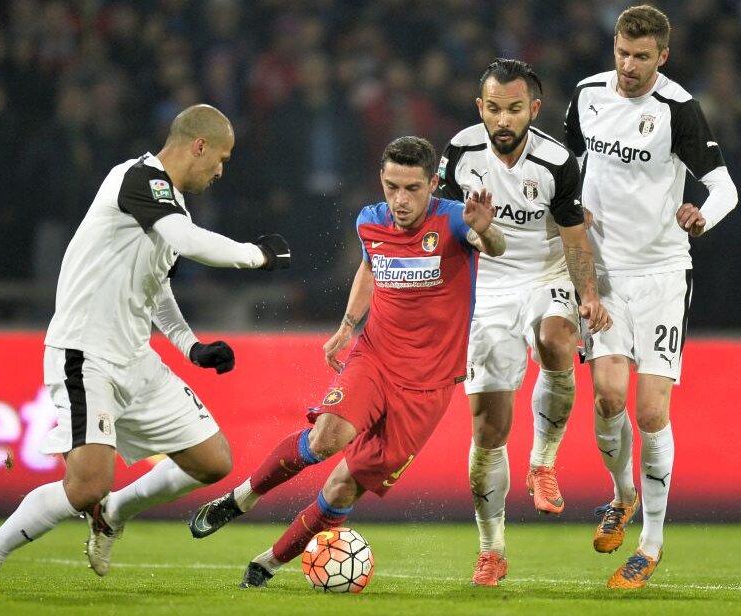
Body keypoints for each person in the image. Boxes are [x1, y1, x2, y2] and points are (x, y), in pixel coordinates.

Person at [0, 104, 291, 592]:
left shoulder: (172, 207)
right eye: (221, 158)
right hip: (85, 355)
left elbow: (158, 291)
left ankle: (113, 513)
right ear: (199, 145)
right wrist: (256, 256)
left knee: (213, 461)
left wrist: (191, 347)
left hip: (136, 359)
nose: (221, 171)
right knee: (86, 485)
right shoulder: (136, 179)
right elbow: (187, 239)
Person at [188, 135, 506, 588]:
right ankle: (241, 498)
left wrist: (487, 230)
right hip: (375, 357)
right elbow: (370, 267)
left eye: (412, 188)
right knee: (325, 438)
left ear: (433, 184)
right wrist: (347, 325)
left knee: (343, 487)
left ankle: (268, 563)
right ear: (381, 180)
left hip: (429, 385)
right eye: (392, 187)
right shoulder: (369, 221)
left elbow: (495, 246)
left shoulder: (455, 219)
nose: (400, 199)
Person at [564, 5, 738, 589]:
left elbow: (724, 188)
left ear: (663, 56)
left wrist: (702, 216)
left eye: (642, 57)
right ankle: (623, 494)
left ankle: (651, 545)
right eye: (622, 53)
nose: (629, 66)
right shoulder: (587, 95)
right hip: (603, 273)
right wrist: (572, 211)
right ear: (613, 47)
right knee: (608, 397)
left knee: (651, 411)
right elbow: (568, 168)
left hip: (662, 273)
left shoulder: (678, 109)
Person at [436, 58, 611, 586]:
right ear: (480, 107)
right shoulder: (460, 153)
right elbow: (441, 228)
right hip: (486, 287)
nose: (503, 120)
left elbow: (575, 236)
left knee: (555, 339)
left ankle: (542, 462)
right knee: (488, 429)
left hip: (544, 274)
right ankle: (492, 550)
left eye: (514, 109)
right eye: (493, 109)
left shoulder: (556, 161)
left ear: (533, 109)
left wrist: (588, 296)